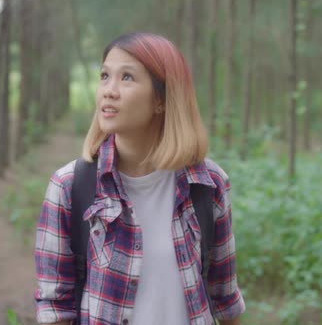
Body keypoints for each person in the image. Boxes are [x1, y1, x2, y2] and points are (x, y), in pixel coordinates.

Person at [34, 32, 245, 325]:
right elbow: (55, 310)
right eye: (105, 75)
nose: (109, 90)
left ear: (161, 99)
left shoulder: (208, 184)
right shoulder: (70, 186)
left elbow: (225, 300)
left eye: (127, 78)